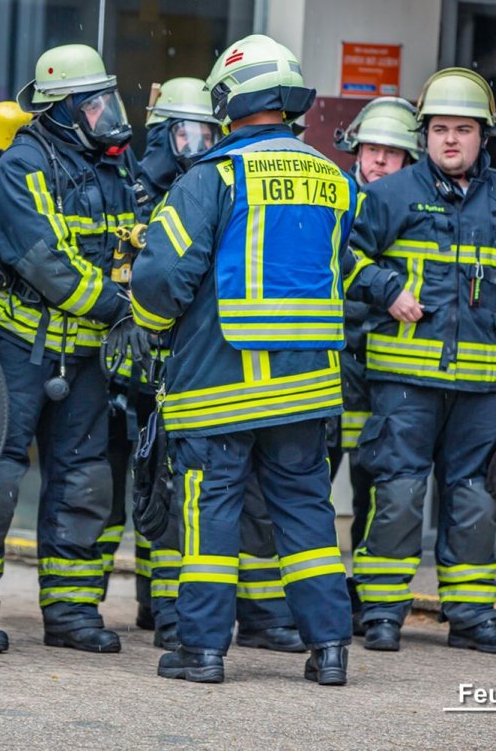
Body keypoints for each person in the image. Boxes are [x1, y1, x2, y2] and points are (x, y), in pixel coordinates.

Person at [131, 34, 356, 686]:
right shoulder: (331, 179)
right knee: (307, 517)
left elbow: (160, 277)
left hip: (219, 386)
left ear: (227, 101)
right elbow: (339, 266)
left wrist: (150, 328)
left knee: (210, 520)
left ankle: (201, 652)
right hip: (306, 388)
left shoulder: (214, 178)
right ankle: (330, 650)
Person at [348, 67, 496, 654]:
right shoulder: (389, 196)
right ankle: (381, 615)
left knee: (474, 501)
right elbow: (343, 259)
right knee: (397, 497)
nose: (450, 140)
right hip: (403, 381)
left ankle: (470, 619)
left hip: (483, 386)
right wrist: (386, 288)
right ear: (424, 135)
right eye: (439, 129)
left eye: (463, 130)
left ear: (484, 135)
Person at [112, 76, 303, 654]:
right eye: (184, 131)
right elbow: (140, 275)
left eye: (204, 129)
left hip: (209, 361)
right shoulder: (138, 192)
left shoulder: (220, 182)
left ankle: (260, 615)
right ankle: (169, 610)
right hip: (157, 359)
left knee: (242, 499)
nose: (196, 142)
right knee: (168, 489)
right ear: (165, 134)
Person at [0, 44, 142, 653]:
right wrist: (122, 306)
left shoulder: (115, 165)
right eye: (94, 104)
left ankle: (71, 614)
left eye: (107, 99)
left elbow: (134, 246)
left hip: (85, 356)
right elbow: (45, 263)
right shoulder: (23, 166)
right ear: (64, 111)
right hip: (17, 348)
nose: (107, 113)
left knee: (84, 482)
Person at [330, 97, 421, 629]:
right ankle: (307, 596)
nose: (380, 161)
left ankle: (365, 596)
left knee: (377, 485)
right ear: (355, 149)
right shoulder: (334, 196)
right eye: (372, 149)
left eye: (392, 152)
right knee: (311, 481)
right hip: (332, 363)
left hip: (387, 367)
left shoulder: (418, 208)